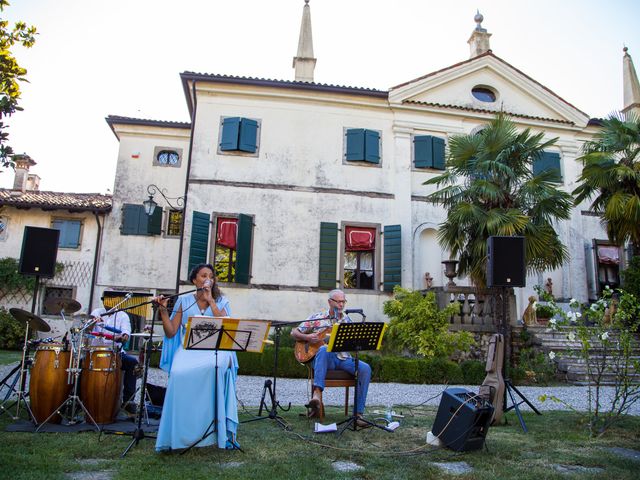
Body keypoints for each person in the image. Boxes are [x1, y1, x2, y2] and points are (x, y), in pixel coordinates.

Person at [154, 263, 239, 451]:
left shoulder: (222, 301)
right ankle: (183, 431)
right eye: (203, 275)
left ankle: (214, 430)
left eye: (211, 276)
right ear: (194, 280)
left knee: (215, 369)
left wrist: (211, 301)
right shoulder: (183, 301)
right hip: (188, 351)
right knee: (177, 373)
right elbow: (171, 333)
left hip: (215, 351)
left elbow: (225, 326)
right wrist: (162, 311)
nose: (208, 279)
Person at [291, 289, 371, 424]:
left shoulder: (347, 320)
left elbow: (354, 343)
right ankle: (317, 395)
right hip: (325, 359)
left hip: (344, 359)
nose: (341, 305)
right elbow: (294, 333)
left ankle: (358, 415)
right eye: (338, 301)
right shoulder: (318, 317)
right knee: (323, 349)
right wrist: (308, 337)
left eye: (343, 302)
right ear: (329, 302)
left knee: (365, 368)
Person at [89, 294, 139, 413]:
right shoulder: (97, 312)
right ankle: (80, 399)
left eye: (111, 300)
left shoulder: (123, 315)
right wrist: (92, 322)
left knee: (132, 362)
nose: (108, 303)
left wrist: (121, 337)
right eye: (106, 300)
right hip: (96, 352)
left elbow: (126, 335)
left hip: (115, 353)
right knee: (80, 364)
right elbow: (88, 330)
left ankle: (128, 401)